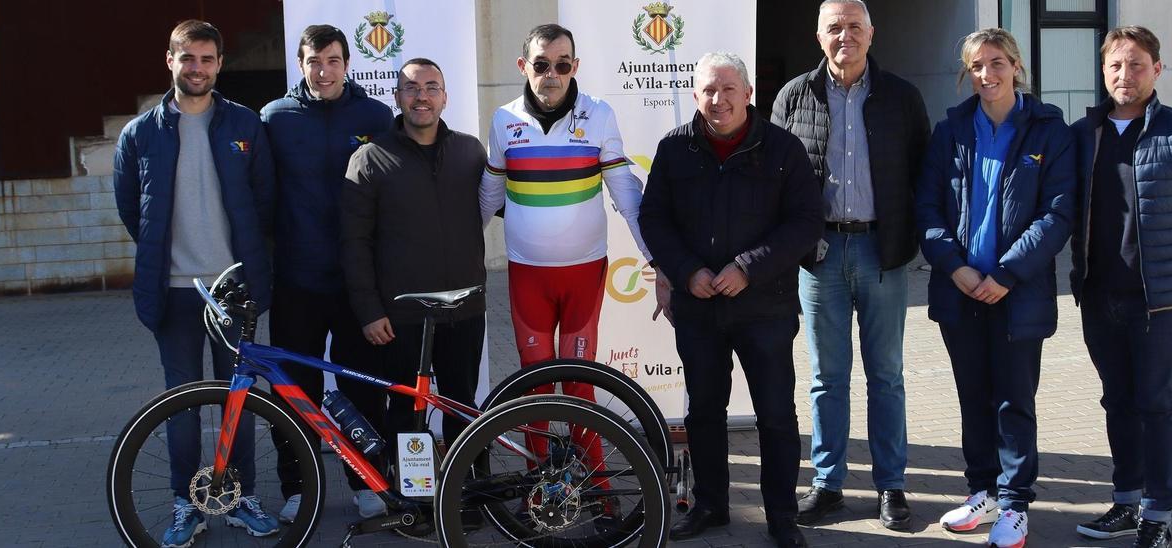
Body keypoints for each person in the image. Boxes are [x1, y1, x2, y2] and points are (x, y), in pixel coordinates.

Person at [640, 52, 822, 548]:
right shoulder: (674, 148)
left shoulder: (782, 148)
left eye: (727, 90)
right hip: (698, 306)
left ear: (747, 93)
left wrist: (748, 268)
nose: (717, 100)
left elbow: (806, 221)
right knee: (703, 412)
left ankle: (781, 516)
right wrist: (686, 271)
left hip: (765, 306)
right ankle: (710, 505)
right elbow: (654, 218)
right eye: (708, 91)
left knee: (776, 415)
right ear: (695, 95)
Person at [113, 19, 278, 547]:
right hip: (175, 292)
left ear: (220, 64)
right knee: (180, 405)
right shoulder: (140, 133)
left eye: (207, 59)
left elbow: (264, 202)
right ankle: (186, 504)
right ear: (171, 61)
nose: (198, 68)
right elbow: (132, 210)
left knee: (239, 401)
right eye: (188, 58)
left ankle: (240, 497)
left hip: (233, 292)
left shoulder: (245, 124)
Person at [1069, 26, 1172, 548]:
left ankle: (1157, 514)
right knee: (1117, 403)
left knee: (1156, 404)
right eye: (1116, 65)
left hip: (1159, 303)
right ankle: (1126, 501)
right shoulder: (1083, 134)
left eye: (1137, 64)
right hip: (1099, 297)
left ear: (1157, 70)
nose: (1126, 74)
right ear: (1103, 71)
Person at [770, 0, 929, 529]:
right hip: (819, 256)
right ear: (819, 37)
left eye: (854, 27)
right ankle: (828, 483)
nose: (845, 36)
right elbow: (774, 180)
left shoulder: (902, 97)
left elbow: (923, 175)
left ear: (871, 33)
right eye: (834, 28)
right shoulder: (794, 97)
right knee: (826, 378)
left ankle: (892, 485)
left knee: (886, 375)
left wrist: (912, 239)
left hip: (881, 251)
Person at [914, 28, 1074, 548]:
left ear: (1016, 66)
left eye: (997, 63)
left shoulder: (1049, 131)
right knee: (973, 398)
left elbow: (1057, 214)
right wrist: (953, 267)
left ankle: (1015, 504)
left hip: (1016, 292)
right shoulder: (951, 130)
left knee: (1013, 402)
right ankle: (982, 492)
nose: (987, 74)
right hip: (960, 291)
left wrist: (1006, 273)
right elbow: (928, 207)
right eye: (977, 66)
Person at [478, 23, 652, 459]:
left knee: (579, 382)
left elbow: (626, 195)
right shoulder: (504, 120)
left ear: (575, 67)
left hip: (584, 272)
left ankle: (597, 482)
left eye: (561, 65)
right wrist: (458, 257)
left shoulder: (599, 114)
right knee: (534, 385)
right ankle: (538, 481)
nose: (551, 75)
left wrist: (656, 259)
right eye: (541, 65)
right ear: (523, 66)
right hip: (528, 274)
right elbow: (489, 196)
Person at [339, 57, 488, 522]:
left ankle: (470, 497)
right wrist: (369, 311)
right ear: (397, 97)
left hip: (464, 306)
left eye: (431, 87)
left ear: (445, 97)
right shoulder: (369, 159)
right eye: (411, 87)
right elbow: (354, 243)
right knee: (407, 412)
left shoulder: (471, 152)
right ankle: (417, 503)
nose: (421, 96)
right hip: (401, 314)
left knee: (462, 405)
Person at [259, 24, 393, 522]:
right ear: (301, 64)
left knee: (363, 388)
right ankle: (298, 488)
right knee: (294, 389)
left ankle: (366, 483)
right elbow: (262, 195)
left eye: (333, 61)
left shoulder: (375, 116)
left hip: (357, 283)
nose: (324, 71)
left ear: (347, 64)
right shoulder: (275, 117)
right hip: (297, 282)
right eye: (314, 62)